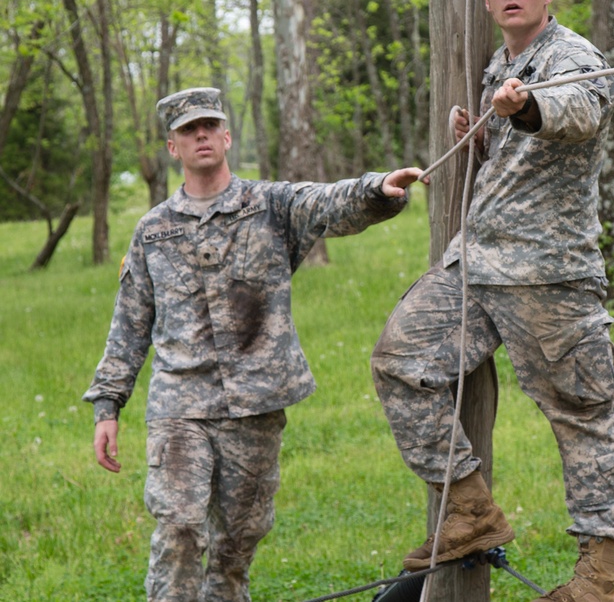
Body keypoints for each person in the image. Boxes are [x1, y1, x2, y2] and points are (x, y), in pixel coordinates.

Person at [83, 86, 425, 602]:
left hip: (256, 405)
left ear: (225, 135)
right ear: (172, 147)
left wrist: (379, 188)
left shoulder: (271, 206)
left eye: (208, 126)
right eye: (186, 130)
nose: (200, 135)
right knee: (178, 528)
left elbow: (330, 202)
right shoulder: (152, 232)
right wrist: (108, 404)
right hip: (181, 406)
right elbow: (130, 323)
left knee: (236, 544)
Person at [370, 0, 614, 602]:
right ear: (488, 1)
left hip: (548, 275)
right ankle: (470, 509)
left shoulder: (571, 56)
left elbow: (581, 111)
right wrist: (487, 130)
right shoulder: (502, 61)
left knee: (583, 416)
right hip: (478, 264)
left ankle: (596, 579)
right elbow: (521, 153)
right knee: (400, 359)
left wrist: (527, 109)